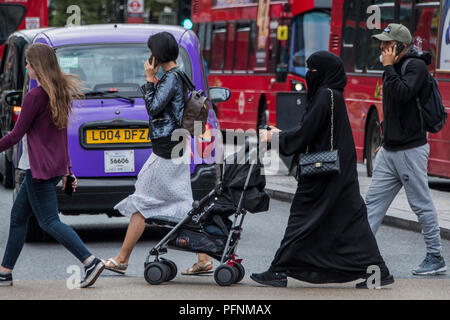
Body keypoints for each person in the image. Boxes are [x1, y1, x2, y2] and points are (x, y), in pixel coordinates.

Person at [252, 51, 394, 288]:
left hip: (323, 176)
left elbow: (305, 133)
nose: (308, 75)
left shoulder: (325, 96)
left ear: (323, 73)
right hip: (337, 173)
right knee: (351, 223)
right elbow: (312, 131)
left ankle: (279, 269)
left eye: (312, 70)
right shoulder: (332, 95)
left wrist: (276, 138)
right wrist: (281, 135)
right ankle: (377, 271)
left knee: (301, 219)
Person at [103, 32, 213, 276]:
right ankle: (204, 258)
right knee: (184, 203)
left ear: (158, 54)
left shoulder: (170, 78)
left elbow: (153, 109)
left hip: (166, 149)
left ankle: (122, 259)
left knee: (141, 203)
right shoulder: (181, 75)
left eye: (150, 51)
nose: (149, 55)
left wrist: (149, 80)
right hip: (178, 147)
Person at [0, 43, 105, 288]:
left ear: (37, 65)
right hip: (46, 168)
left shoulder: (34, 96)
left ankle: (90, 261)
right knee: (17, 217)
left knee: (48, 221)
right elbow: (61, 137)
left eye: (28, 63)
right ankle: (5, 272)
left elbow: (16, 135)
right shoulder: (57, 92)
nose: (26, 67)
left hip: (37, 170)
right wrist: (67, 170)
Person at [366, 24, 446, 275]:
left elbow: (402, 94)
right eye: (381, 43)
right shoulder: (389, 71)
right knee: (372, 204)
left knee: (420, 205)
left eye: (386, 44)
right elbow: (390, 108)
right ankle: (358, 252)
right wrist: (383, 141)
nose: (381, 48)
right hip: (390, 151)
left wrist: (389, 67)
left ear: (400, 46)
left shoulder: (416, 67)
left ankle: (435, 256)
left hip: (411, 150)